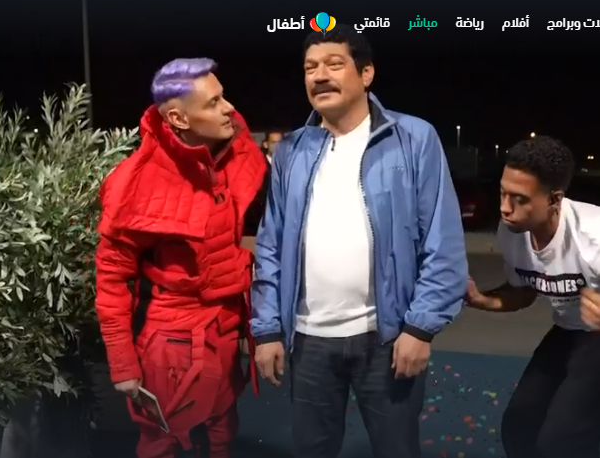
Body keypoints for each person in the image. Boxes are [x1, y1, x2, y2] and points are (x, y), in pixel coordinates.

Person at [250, 24, 468, 458]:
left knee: (397, 450)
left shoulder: (413, 139)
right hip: (308, 341)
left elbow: (442, 241)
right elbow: (270, 245)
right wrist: (267, 328)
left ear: (366, 73)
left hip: (386, 339)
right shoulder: (291, 150)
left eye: (334, 64)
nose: (319, 76)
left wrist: (420, 328)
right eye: (310, 68)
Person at [94, 57, 267, 458]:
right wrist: (123, 364)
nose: (228, 108)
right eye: (213, 102)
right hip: (171, 343)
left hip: (226, 329)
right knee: (163, 441)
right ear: (178, 118)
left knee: (222, 433)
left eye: (223, 97)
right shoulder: (135, 182)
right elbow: (111, 279)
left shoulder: (232, 156)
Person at [465, 136, 600, 458]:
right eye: (502, 193)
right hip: (568, 331)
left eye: (520, 199)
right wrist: (482, 299)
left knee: (563, 441)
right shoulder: (512, 231)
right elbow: (524, 291)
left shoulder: (592, 236)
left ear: (555, 199)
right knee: (518, 427)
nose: (504, 208)